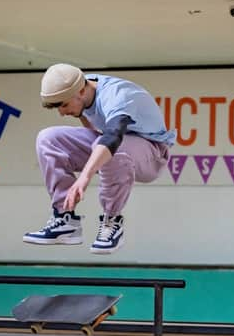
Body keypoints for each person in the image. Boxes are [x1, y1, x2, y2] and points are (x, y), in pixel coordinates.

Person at [23, 63, 175, 254]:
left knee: (111, 147)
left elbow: (112, 137)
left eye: (64, 105)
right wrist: (97, 162)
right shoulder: (84, 87)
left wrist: (85, 177)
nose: (61, 112)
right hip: (115, 144)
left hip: (151, 154)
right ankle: (64, 219)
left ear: (80, 91)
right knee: (48, 138)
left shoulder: (117, 96)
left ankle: (112, 221)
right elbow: (93, 128)